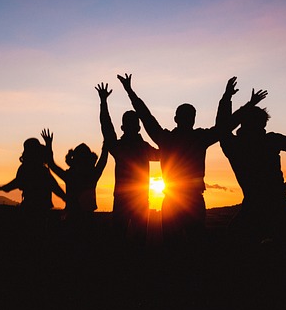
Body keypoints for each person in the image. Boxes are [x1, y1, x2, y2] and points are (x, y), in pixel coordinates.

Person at [117, 73, 267, 247]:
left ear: (175, 119)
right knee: (196, 246)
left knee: (173, 247)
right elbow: (226, 126)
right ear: (193, 119)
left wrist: (130, 91)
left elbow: (146, 116)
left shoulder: (166, 139)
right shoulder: (199, 138)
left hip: (174, 202)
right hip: (193, 201)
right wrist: (240, 102)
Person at [220, 104, 286, 243]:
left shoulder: (234, 145)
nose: (264, 127)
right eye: (262, 123)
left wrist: (227, 98)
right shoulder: (269, 140)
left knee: (237, 238)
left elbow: (223, 129)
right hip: (274, 203)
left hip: (256, 203)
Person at [97, 82, 160, 246]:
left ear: (123, 127)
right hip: (135, 199)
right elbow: (107, 128)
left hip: (126, 199)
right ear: (139, 128)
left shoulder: (122, 147)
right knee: (135, 241)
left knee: (120, 239)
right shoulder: (141, 148)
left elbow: (107, 128)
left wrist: (103, 102)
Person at [41, 129, 108, 223]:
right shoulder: (92, 175)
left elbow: (51, 164)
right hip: (85, 218)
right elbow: (103, 160)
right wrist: (106, 144)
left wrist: (49, 146)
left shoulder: (70, 176)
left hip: (72, 217)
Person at [0, 137, 66, 212]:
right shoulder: (43, 170)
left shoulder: (25, 168)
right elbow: (54, 186)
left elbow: (16, 183)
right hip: (43, 209)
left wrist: (3, 188)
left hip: (29, 207)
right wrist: (66, 198)